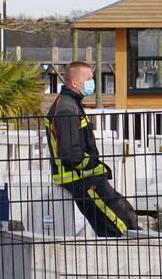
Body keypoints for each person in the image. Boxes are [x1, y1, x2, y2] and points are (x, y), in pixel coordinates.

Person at [46, 61, 139, 237]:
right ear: (74, 82)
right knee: (120, 222)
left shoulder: (71, 104)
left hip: (85, 177)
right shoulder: (67, 109)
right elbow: (69, 154)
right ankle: (132, 249)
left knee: (122, 214)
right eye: (89, 79)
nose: (92, 83)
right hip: (80, 179)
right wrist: (92, 163)